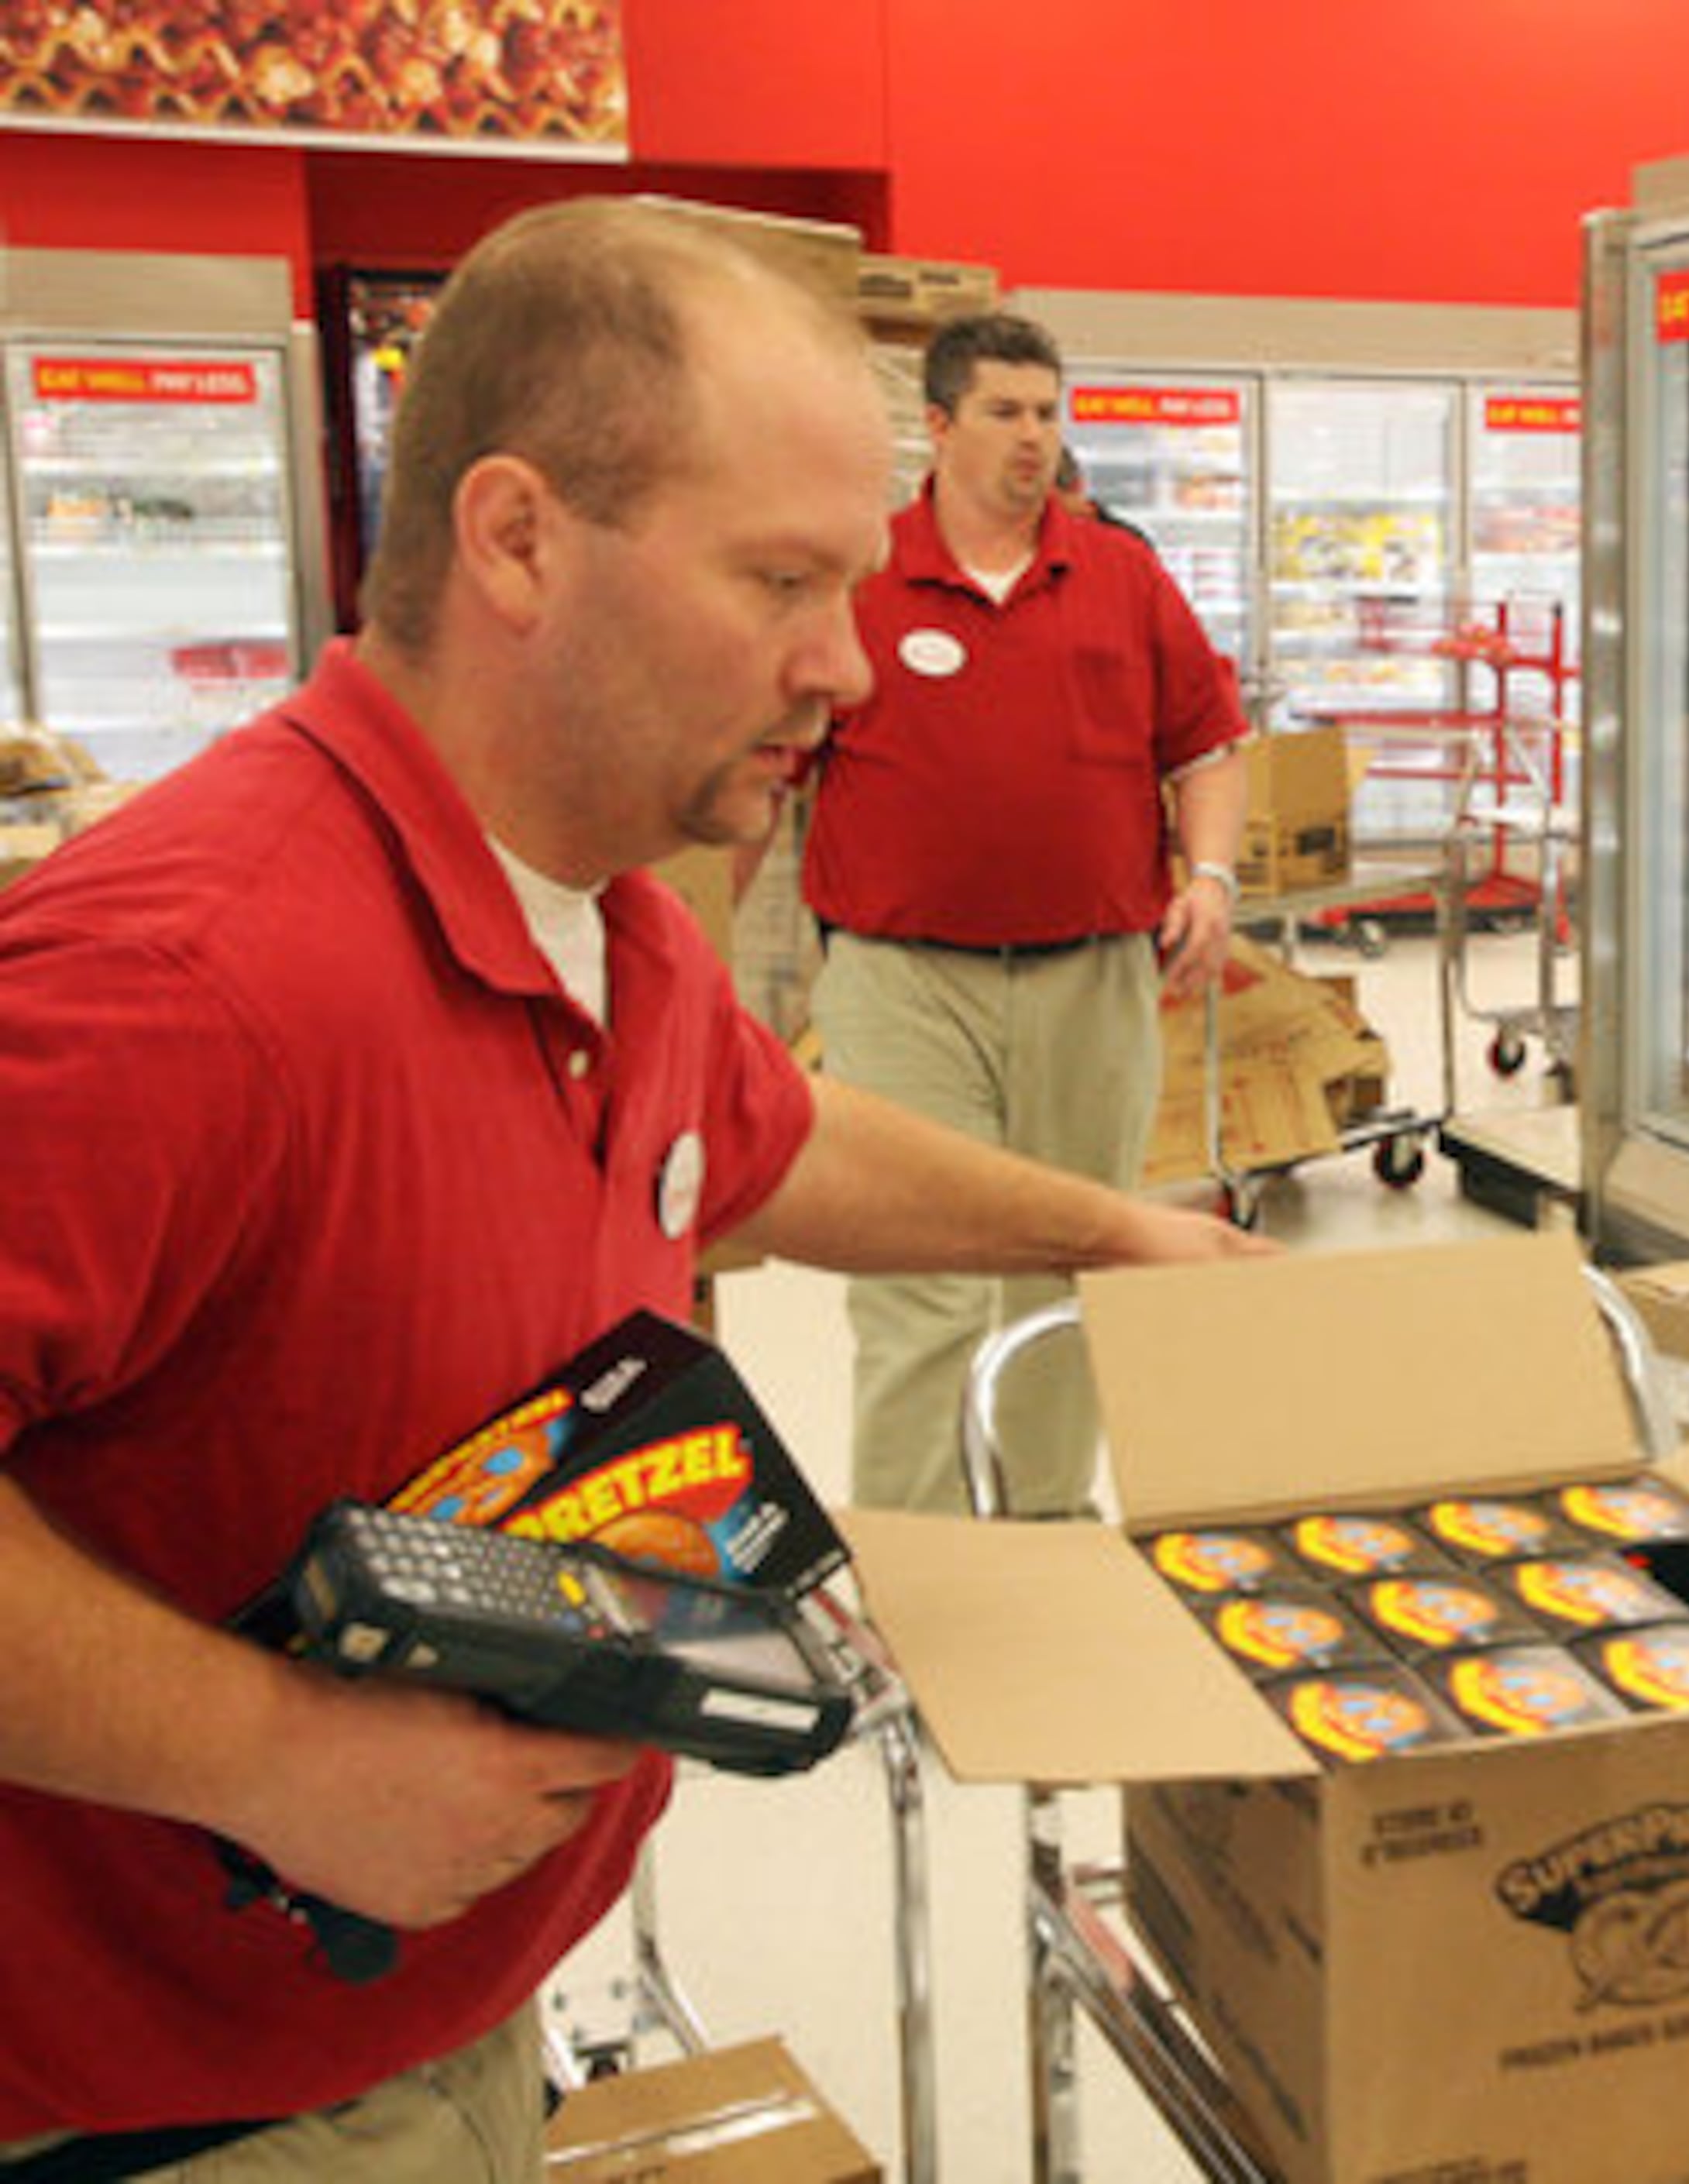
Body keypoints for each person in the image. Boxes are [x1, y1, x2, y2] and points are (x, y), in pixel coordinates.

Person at [0, 198, 1262, 2176]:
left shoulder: (609, 925)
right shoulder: (187, 984)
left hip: (444, 2035)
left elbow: (776, 1139)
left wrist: (1112, 1234)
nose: (846, 664)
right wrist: (273, 1758)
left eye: (850, 585)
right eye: (779, 579)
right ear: (516, 540)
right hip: (170, 2119)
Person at [800, 311, 1251, 1519]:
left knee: (1075, 1262)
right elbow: (764, 776)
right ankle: (910, 1555)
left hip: (1092, 975)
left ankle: (1046, 1531)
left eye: (1049, 414)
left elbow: (1209, 744)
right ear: (938, 428)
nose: (1034, 438)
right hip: (900, 978)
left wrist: (1211, 878)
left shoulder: (1121, 575)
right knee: (920, 1280)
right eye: (1005, 412)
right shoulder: (861, 577)